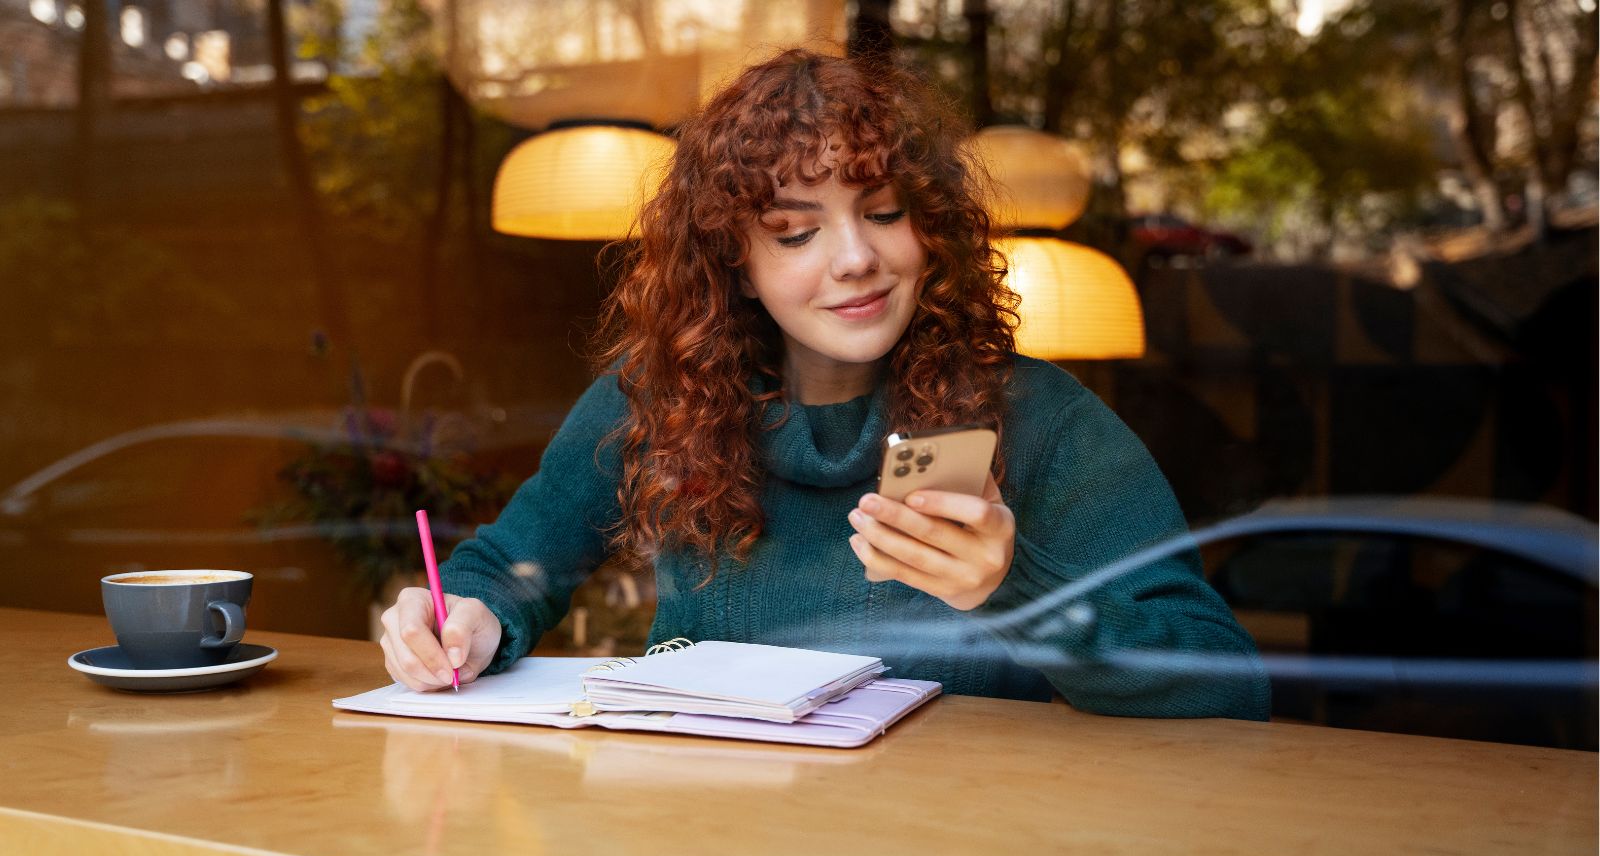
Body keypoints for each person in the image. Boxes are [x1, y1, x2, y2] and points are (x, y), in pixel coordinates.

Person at [378, 49, 1269, 720]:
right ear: (736, 260)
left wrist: (1017, 586)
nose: (856, 260)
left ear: (931, 226)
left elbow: (1225, 682)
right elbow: (513, 567)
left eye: (884, 213)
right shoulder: (660, 395)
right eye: (796, 233)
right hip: (698, 843)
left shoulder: (1040, 419)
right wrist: (469, 618)